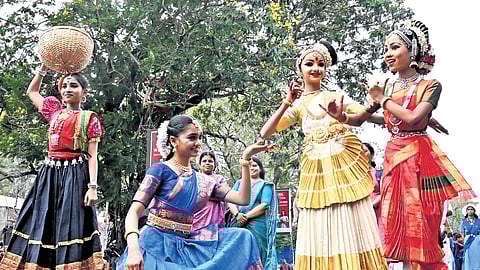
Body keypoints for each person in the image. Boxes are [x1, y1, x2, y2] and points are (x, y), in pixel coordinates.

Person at [321, 20, 475, 269]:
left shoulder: (430, 85)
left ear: (412, 50)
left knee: (422, 217)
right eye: (385, 49)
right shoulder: (388, 86)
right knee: (396, 217)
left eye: (394, 47)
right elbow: (362, 118)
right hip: (393, 157)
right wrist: (341, 116)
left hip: (419, 159)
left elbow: (414, 118)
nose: (388, 54)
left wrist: (383, 99)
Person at [260, 41, 386, 269]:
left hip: (342, 163)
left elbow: (365, 115)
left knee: (348, 210)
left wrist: (388, 111)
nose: (315, 68)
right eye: (309, 63)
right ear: (300, 69)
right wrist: (287, 101)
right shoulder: (298, 105)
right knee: (319, 214)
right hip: (315, 167)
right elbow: (266, 131)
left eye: (321, 64)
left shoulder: (335, 96)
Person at [117, 115, 276, 270]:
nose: (198, 143)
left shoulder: (204, 181)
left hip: (186, 244)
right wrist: (133, 249)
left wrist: (245, 159)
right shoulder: (160, 170)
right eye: (192, 137)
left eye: (199, 138)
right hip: (154, 246)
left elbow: (242, 199)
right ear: (173, 141)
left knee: (243, 237)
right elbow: (134, 212)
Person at [0, 64, 104, 269]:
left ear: (84, 92)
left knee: (70, 223)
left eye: (73, 86)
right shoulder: (54, 112)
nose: (67, 89)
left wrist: (92, 187)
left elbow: (92, 156)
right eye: (64, 85)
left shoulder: (88, 118)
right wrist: (43, 68)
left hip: (75, 175)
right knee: (41, 220)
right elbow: (32, 91)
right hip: (49, 175)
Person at [227, 156, 278, 270]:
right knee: (238, 253)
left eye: (255, 165)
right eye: (249, 166)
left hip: (257, 225)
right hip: (238, 223)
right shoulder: (239, 183)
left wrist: (246, 216)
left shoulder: (265, 185)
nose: (252, 168)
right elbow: (230, 200)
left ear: (260, 169)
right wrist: (237, 215)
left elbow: (265, 205)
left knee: (258, 252)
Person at [192, 151, 229, 231]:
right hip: (197, 217)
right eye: (204, 161)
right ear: (200, 164)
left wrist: (204, 194)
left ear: (214, 164)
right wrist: (215, 194)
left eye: (210, 161)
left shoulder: (220, 179)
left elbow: (225, 196)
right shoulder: (194, 178)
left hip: (215, 218)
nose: (207, 163)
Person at [363, 142, 384, 244]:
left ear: (371, 154)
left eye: (365, 151)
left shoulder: (378, 172)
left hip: (376, 210)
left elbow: (384, 192)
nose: (362, 154)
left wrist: (372, 205)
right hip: (361, 211)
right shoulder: (353, 175)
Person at [461, 204, 480, 269]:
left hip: (477, 240)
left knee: (477, 255)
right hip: (468, 240)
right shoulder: (463, 221)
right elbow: (462, 233)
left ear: (474, 211)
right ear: (466, 211)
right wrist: (464, 241)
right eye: (468, 209)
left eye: (472, 209)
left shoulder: (478, 221)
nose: (470, 211)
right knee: (468, 256)